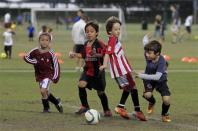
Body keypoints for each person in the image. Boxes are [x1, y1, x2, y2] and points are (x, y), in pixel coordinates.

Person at [99, 16, 146, 121]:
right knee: (130, 87)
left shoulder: (114, 40)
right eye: (115, 29)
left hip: (124, 68)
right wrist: (105, 64)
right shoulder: (112, 40)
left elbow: (118, 55)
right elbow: (107, 53)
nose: (118, 31)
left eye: (119, 29)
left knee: (131, 86)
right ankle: (125, 108)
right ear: (110, 31)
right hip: (119, 70)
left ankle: (133, 109)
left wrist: (130, 68)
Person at [69, 21, 112, 117]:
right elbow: (83, 55)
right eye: (87, 31)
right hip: (87, 70)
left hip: (98, 72)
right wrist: (74, 54)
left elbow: (106, 54)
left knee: (100, 92)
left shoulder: (100, 44)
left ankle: (106, 109)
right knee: (81, 84)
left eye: (91, 31)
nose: (89, 33)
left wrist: (98, 55)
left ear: (96, 33)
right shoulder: (85, 44)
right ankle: (85, 106)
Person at [24, 33, 63, 113]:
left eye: (46, 40)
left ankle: (46, 108)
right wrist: (34, 61)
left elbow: (56, 66)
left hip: (48, 75)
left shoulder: (51, 54)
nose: (44, 42)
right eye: (42, 40)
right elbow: (26, 57)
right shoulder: (35, 51)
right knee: (45, 92)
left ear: (49, 42)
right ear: (39, 41)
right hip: (39, 75)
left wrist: (55, 77)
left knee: (43, 91)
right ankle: (57, 102)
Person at [135, 40, 171, 122]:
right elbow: (145, 43)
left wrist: (141, 75)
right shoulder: (149, 54)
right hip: (149, 79)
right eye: (147, 52)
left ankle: (164, 114)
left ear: (157, 53)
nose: (147, 55)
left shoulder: (162, 61)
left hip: (160, 80)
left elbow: (157, 77)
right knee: (147, 95)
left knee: (166, 100)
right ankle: (152, 102)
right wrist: (146, 38)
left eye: (149, 53)